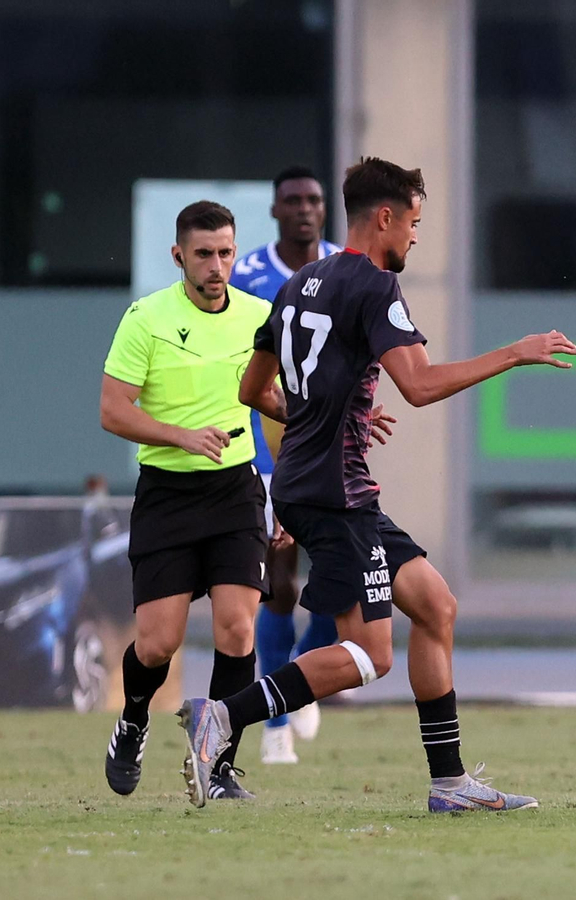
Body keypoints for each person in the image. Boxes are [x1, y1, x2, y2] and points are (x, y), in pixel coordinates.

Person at [176, 156, 576, 812]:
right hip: (336, 494)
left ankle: (449, 784)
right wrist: (515, 351)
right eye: (414, 222)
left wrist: (310, 417)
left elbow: (252, 389)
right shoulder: (372, 285)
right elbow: (418, 387)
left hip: (317, 486)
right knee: (370, 656)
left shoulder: (300, 283)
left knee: (436, 605)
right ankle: (221, 717)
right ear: (384, 217)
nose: (416, 237)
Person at [100, 201, 274, 802]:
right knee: (157, 643)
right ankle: (133, 721)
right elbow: (112, 411)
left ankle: (218, 766)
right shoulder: (145, 318)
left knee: (236, 627)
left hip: (235, 490)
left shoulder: (260, 316)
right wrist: (181, 436)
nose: (217, 265)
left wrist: (321, 426)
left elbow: (272, 400)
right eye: (203, 254)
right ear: (179, 256)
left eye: (226, 252)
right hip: (168, 494)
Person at [233, 166, 345, 765]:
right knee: (279, 585)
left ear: (325, 209)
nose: (304, 209)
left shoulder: (344, 267)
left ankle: (303, 672)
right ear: (275, 210)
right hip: (264, 448)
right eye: (293, 201)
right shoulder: (248, 274)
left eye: (313, 200)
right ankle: (276, 719)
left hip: (329, 445)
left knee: (344, 576)